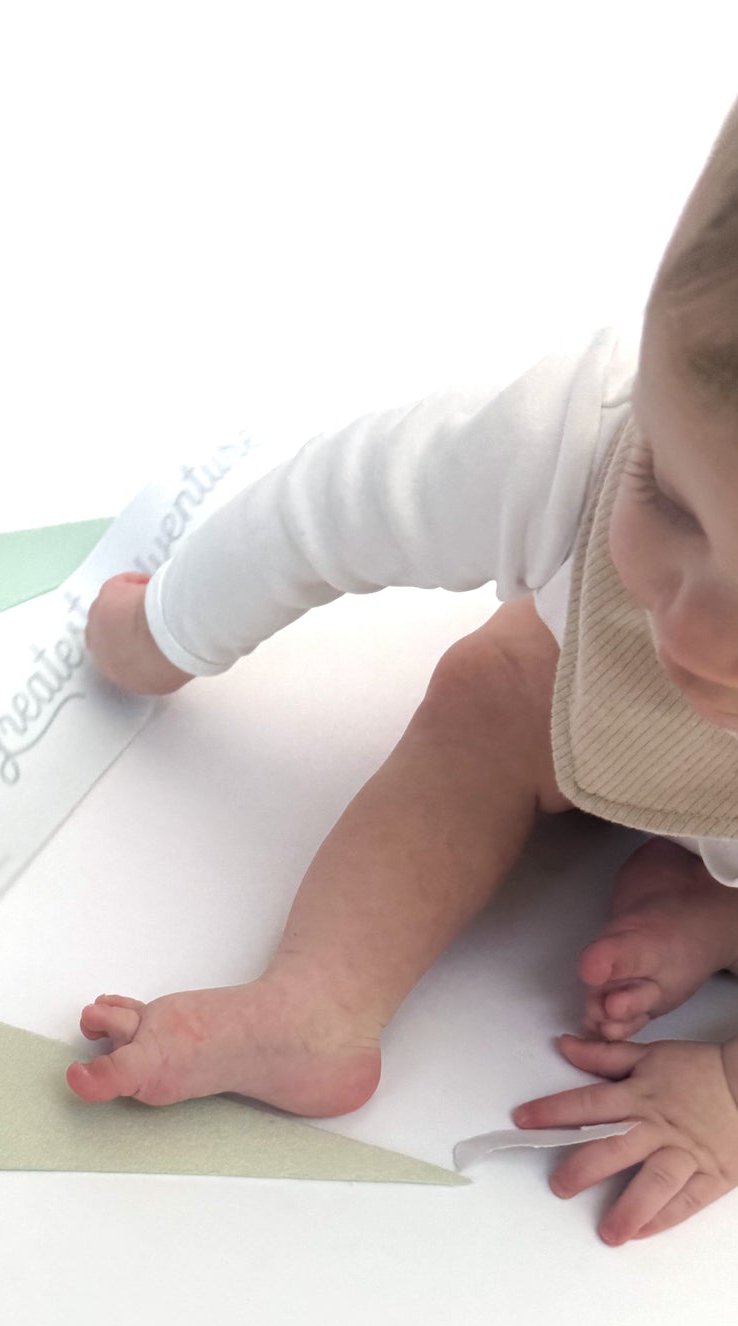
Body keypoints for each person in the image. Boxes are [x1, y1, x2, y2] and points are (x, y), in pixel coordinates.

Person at [67, 98, 738, 1245]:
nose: (692, 630)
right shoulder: (586, 442)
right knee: (493, 684)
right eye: (670, 502)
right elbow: (338, 501)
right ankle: (316, 1007)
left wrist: (723, 1095)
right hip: (602, 729)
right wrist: (168, 629)